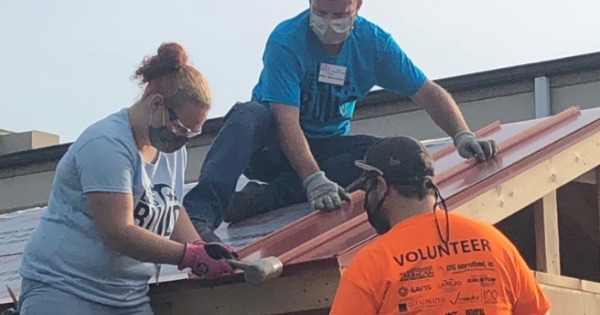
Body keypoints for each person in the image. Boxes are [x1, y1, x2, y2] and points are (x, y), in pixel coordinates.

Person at [183, 0, 498, 242]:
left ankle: (262, 199)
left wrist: (462, 135)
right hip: (271, 146)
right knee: (248, 115)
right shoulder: (286, 41)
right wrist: (313, 180)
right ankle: (200, 215)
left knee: (381, 155)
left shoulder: (374, 44)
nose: (329, 23)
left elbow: (427, 91)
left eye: (339, 14)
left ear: (358, 6)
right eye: (322, 13)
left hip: (325, 150)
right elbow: (286, 122)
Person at [18, 43, 237, 315]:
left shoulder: (171, 151)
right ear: (157, 103)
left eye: (191, 134)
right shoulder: (106, 144)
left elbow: (170, 205)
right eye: (181, 127)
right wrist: (189, 256)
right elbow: (119, 232)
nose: (182, 138)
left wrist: (204, 250)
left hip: (127, 298)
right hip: (65, 290)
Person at [329, 136, 551, 314]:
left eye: (368, 188)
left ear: (381, 184)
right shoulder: (494, 243)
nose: (367, 199)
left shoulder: (372, 263)